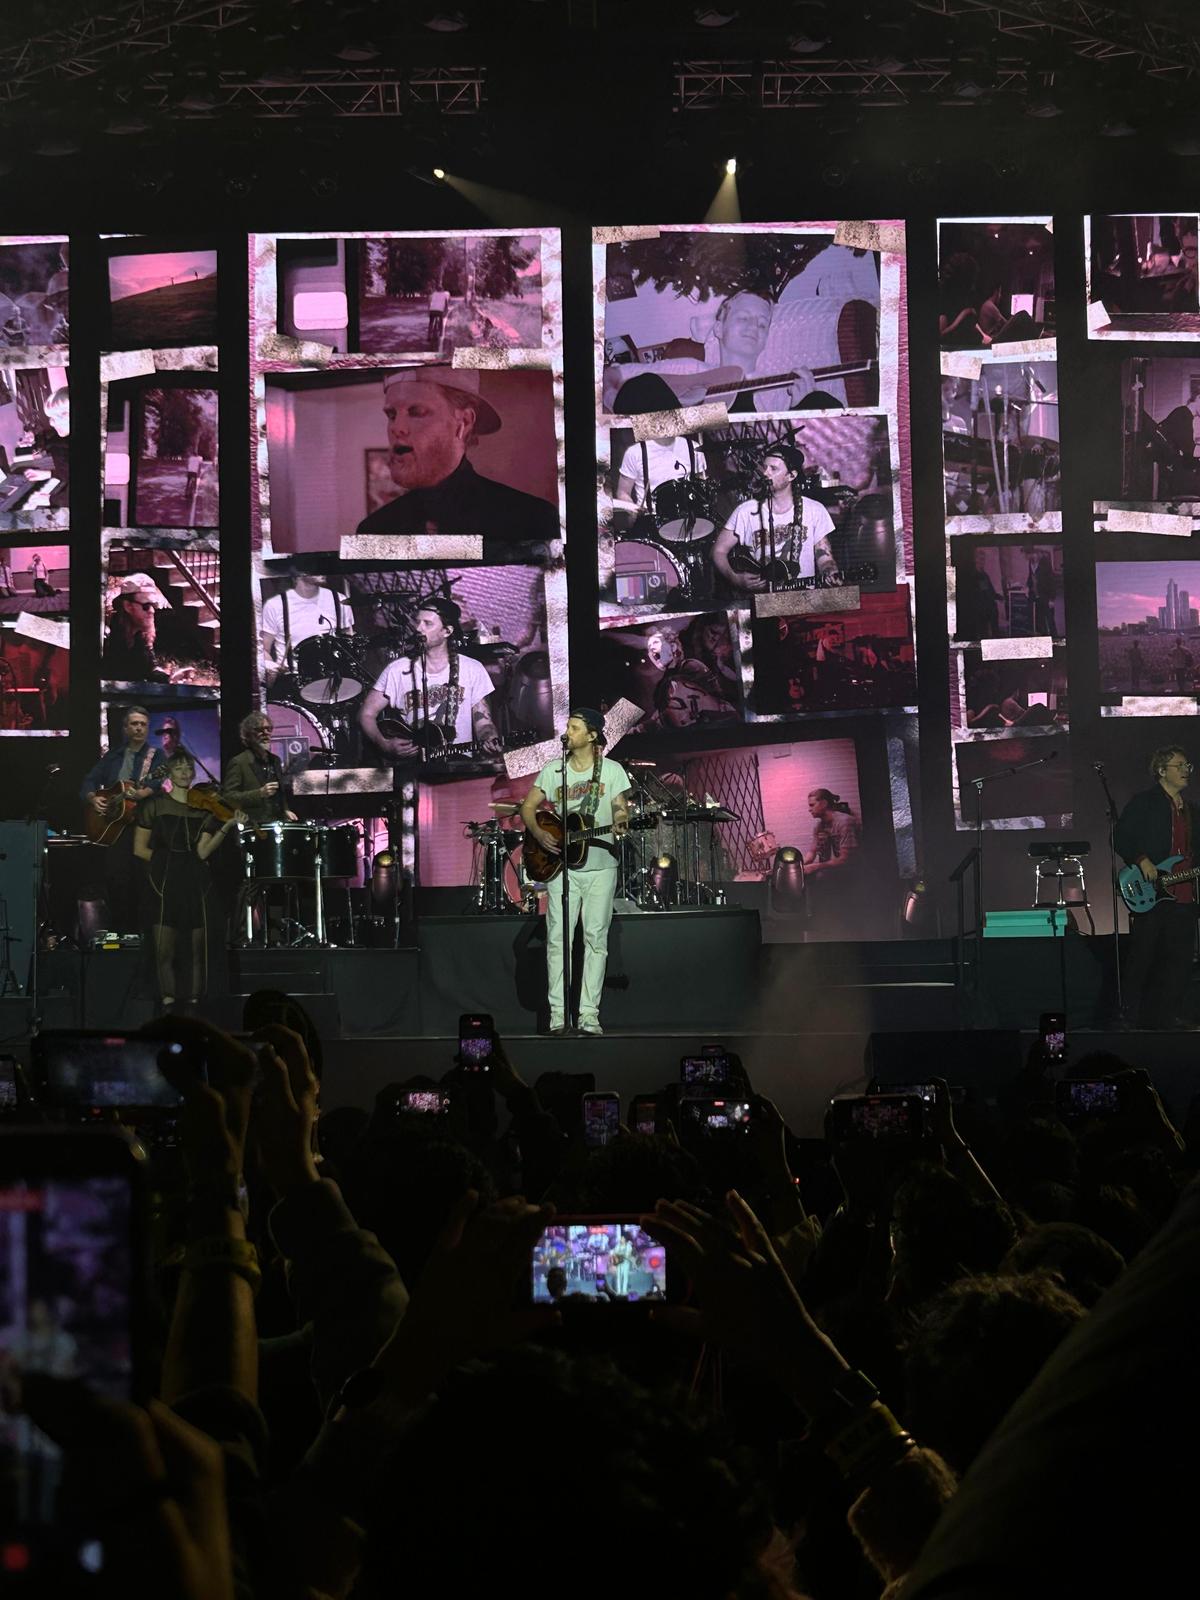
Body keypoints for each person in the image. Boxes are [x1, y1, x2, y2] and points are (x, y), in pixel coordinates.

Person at [353, 368, 559, 549]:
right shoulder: (374, 530)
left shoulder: (531, 520)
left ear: (464, 423)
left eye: (416, 412)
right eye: (391, 415)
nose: (397, 428)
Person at [519, 708, 631, 1036]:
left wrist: (622, 820)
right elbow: (528, 808)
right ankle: (558, 1015)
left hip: (601, 866)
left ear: (592, 735)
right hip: (562, 868)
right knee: (558, 939)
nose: (567, 732)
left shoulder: (611, 770)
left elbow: (620, 806)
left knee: (596, 939)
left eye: (574, 727)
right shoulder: (554, 771)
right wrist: (539, 834)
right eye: (567, 727)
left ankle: (589, 1015)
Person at [133, 750, 246, 1008]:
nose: (184, 773)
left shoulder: (203, 809)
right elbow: (139, 849)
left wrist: (226, 826)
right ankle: (167, 1002)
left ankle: (195, 1005)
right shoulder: (155, 805)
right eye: (179, 769)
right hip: (163, 882)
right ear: (170, 773)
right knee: (164, 950)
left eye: (188, 769)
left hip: (196, 881)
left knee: (197, 951)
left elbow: (203, 851)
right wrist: (166, 865)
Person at [1114, 745, 1200, 1028]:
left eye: (1187, 765)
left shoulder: (1191, 810)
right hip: (1152, 893)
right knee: (1143, 955)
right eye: (1180, 765)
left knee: (1181, 958)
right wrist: (1142, 860)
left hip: (1184, 893)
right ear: (1162, 771)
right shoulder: (1145, 802)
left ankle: (1167, 1015)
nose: (1186, 770)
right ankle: (1129, 1014)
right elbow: (1121, 836)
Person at [360, 597, 500, 764]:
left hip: (458, 766)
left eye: (428, 624)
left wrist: (489, 737)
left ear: (447, 631)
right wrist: (384, 744)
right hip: (413, 767)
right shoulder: (397, 670)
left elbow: (483, 722)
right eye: (418, 622)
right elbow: (366, 713)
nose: (418, 628)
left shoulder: (472, 669)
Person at [80, 705, 166, 933]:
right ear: (126, 728)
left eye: (143, 724)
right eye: (134, 724)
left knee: (142, 881)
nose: (139, 728)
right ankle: (119, 932)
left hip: (142, 826)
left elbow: (157, 783)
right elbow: (89, 781)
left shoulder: (156, 756)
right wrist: (93, 799)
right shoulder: (113, 755)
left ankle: (142, 936)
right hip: (114, 828)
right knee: (115, 879)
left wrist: (143, 793)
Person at [713, 443, 837, 594]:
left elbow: (824, 556)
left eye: (774, 469)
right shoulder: (746, 511)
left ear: (792, 475)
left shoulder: (814, 510)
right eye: (764, 467)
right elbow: (718, 551)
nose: (765, 473)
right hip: (762, 601)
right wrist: (735, 578)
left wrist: (830, 571)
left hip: (804, 599)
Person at [262, 571, 354, 690]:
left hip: (335, 678)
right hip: (293, 681)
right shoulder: (275, 605)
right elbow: (263, 648)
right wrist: (271, 667)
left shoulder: (339, 600)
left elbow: (349, 639)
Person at [221, 711, 297, 826]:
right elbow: (229, 797)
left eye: (268, 729)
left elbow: (280, 793)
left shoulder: (275, 760)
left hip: (277, 823)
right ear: (248, 735)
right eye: (259, 730)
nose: (265, 733)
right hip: (253, 826)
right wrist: (259, 793)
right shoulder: (239, 762)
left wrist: (285, 809)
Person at [101, 572, 170, 682]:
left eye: (154, 606)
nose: (152, 611)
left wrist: (170, 679)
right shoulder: (107, 640)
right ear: (128, 606)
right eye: (146, 606)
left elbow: (150, 668)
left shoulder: (141, 636)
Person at [1155, 389, 1200, 494]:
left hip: (1172, 466)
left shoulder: (1183, 413)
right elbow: (1189, 452)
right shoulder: (1183, 415)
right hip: (1171, 470)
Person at [959, 548, 1003, 640]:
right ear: (975, 559)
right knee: (983, 632)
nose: (983, 561)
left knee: (995, 628)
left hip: (989, 607)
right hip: (979, 609)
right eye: (980, 559)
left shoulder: (985, 575)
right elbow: (971, 595)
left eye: (984, 559)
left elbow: (990, 591)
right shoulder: (971, 575)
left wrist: (999, 597)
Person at [1025, 547, 1058, 637]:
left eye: (1027, 555)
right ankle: (1044, 641)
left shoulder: (1045, 563)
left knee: (1050, 621)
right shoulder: (1030, 564)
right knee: (1041, 621)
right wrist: (1028, 586)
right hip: (1037, 597)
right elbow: (1030, 577)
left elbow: (1051, 581)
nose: (1026, 558)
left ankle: (1056, 641)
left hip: (1046, 596)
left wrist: (1051, 599)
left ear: (1032, 553)